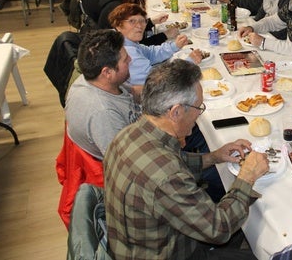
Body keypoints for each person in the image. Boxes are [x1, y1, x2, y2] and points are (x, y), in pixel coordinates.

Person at [104, 59, 269, 260]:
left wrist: (214, 157)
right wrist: (246, 177)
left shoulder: (127, 134)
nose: (199, 114)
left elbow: (173, 161)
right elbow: (219, 228)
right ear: (176, 112)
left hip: (137, 241)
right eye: (198, 108)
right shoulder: (167, 176)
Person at [66, 30, 141, 160]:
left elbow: (133, 92)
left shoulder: (92, 78)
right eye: (125, 59)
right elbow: (128, 161)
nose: (130, 59)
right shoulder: (104, 115)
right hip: (133, 155)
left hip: (135, 130)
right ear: (107, 72)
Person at [108, 3, 202, 95]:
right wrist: (188, 63)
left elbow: (150, 53)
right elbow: (159, 82)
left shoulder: (125, 41)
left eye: (142, 21)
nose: (139, 26)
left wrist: (174, 46)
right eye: (132, 21)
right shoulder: (129, 53)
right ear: (118, 25)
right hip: (148, 97)